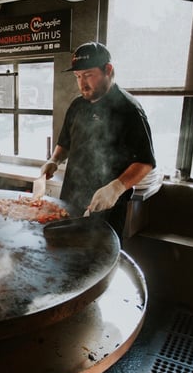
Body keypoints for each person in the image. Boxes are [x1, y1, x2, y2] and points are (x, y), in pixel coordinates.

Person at [41, 42, 156, 240]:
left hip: (107, 208)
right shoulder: (78, 105)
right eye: (78, 77)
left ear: (108, 70)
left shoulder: (129, 110)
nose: (82, 84)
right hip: (71, 201)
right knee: (65, 255)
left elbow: (145, 162)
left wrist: (116, 188)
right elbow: (65, 143)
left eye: (88, 75)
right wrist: (54, 160)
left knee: (97, 260)